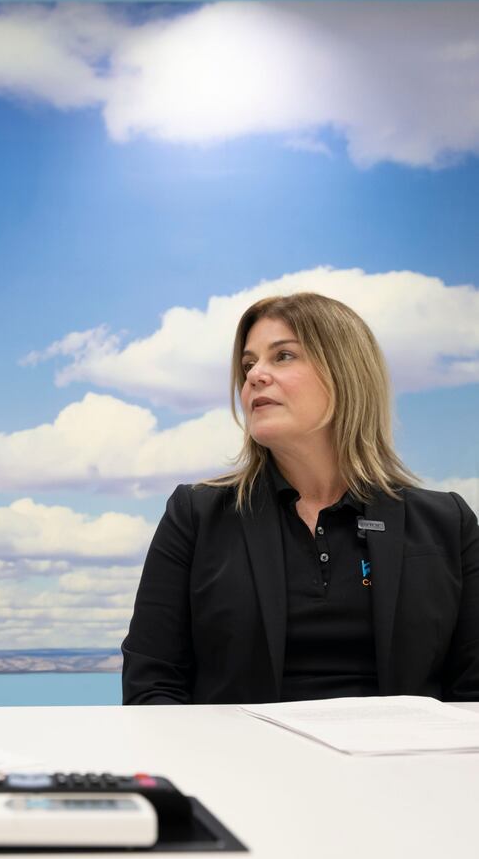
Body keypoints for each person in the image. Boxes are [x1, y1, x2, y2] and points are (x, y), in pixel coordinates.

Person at [122, 292, 479, 705]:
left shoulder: (446, 522)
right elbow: (152, 687)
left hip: (400, 765)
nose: (255, 375)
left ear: (346, 373)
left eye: (283, 356)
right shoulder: (196, 514)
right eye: (248, 364)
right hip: (237, 765)